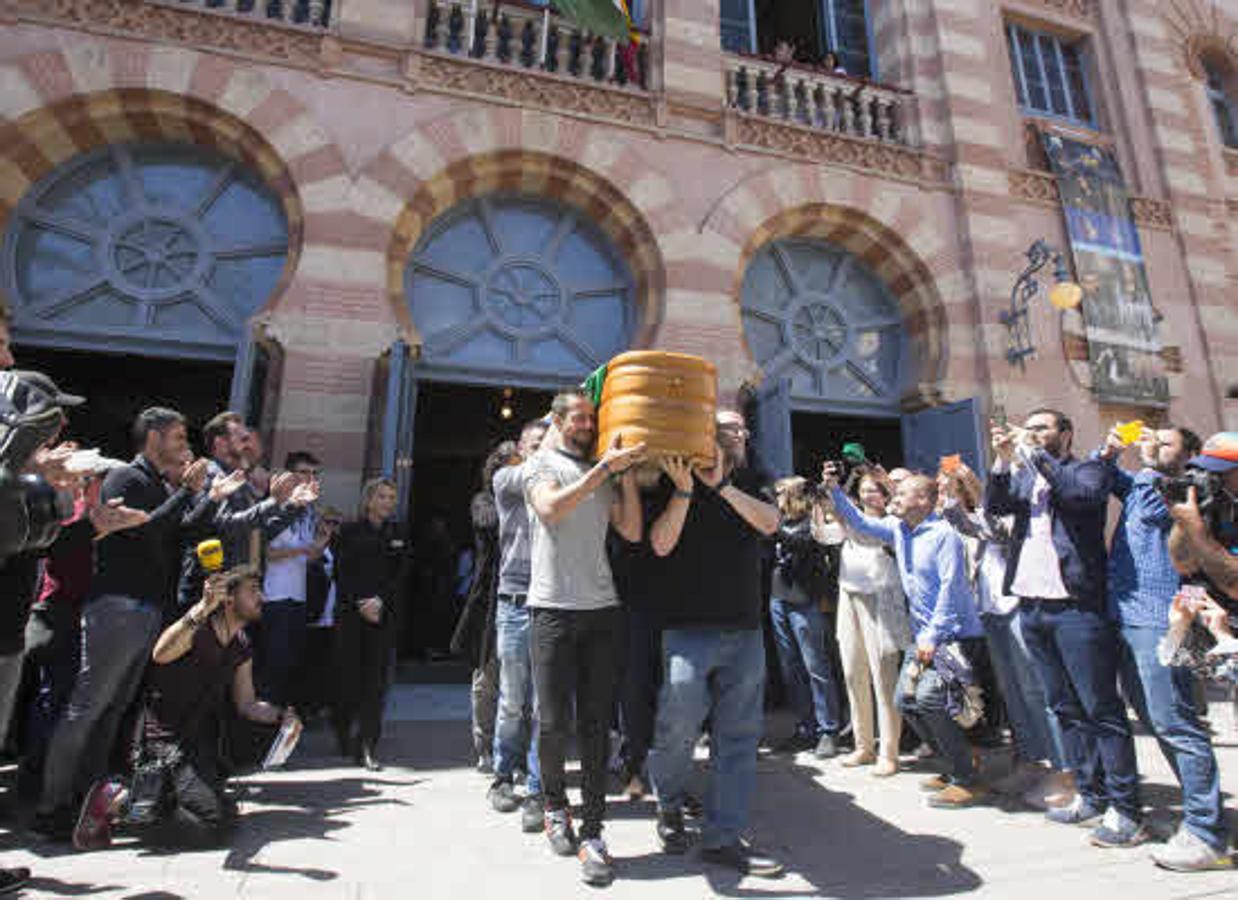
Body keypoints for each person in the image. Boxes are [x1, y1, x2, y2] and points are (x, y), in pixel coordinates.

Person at [36, 407, 225, 835]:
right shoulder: (128, 478)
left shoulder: (158, 484)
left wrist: (206, 498)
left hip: (145, 606)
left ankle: (88, 799)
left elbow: (175, 533)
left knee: (114, 709)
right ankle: (53, 803)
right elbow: (147, 531)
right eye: (177, 436)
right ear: (153, 437)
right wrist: (186, 492)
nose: (183, 443)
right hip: (118, 605)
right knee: (88, 706)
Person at [986, 409, 1145, 848]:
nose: (1033, 433)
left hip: (1076, 608)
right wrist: (1002, 462)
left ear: (1066, 434)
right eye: (1029, 427)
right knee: (1065, 708)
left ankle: (1127, 809)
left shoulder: (1088, 469)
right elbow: (996, 506)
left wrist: (1036, 456)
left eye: (1043, 428)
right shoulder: (1025, 475)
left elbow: (1080, 498)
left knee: (1101, 710)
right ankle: (1090, 795)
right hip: (1033, 607)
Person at [646, 410, 785, 878]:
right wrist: (689, 489)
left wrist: (724, 487)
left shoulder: (755, 478)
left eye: (742, 429)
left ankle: (723, 837)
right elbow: (661, 545)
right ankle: (667, 802)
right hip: (686, 626)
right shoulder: (673, 475)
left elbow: (770, 523)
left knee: (740, 738)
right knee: (677, 726)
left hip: (744, 629)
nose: (736, 436)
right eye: (725, 429)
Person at [72, 567, 298, 850]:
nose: (261, 597)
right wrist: (202, 607)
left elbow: (247, 703)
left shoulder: (241, 645)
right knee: (210, 824)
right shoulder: (197, 630)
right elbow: (161, 652)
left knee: (227, 815)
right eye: (253, 590)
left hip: (195, 743)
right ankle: (116, 799)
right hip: (161, 744)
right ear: (229, 598)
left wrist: (282, 716)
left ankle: (154, 801)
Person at [524, 390, 643, 886]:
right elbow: (551, 509)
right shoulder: (541, 463)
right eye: (579, 418)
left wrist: (626, 474)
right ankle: (555, 805)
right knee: (552, 723)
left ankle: (593, 832)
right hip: (551, 609)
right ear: (558, 421)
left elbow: (632, 531)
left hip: (601, 609)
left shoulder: (603, 468)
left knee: (596, 727)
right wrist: (602, 471)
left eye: (592, 418)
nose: (587, 425)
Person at [1102, 425, 1231, 871]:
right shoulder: (1144, 482)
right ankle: (1203, 819)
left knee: (1177, 722)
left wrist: (1147, 459)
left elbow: (1153, 490)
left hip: (1160, 617)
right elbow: (1110, 481)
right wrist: (1112, 454)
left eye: (1167, 442)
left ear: (1191, 455)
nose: (1155, 445)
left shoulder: (1177, 487)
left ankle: (1208, 832)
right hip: (1127, 614)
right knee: (1159, 721)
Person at [825, 466, 988, 808]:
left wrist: (932, 636)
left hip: (950, 635)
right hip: (923, 637)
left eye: (901, 494)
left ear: (925, 501)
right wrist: (836, 491)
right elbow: (862, 523)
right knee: (905, 701)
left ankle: (966, 778)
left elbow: (950, 589)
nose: (893, 498)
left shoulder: (944, 535)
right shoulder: (899, 528)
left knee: (928, 698)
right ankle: (960, 758)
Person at [939, 463, 1070, 809]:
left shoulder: (1024, 511)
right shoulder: (979, 512)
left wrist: (980, 493)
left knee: (1037, 690)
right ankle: (1029, 761)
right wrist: (951, 496)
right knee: (1012, 692)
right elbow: (966, 525)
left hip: (1017, 604)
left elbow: (998, 530)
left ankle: (1064, 770)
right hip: (991, 609)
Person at [485, 421, 551, 835]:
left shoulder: (561, 482)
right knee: (513, 700)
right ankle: (502, 774)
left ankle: (538, 787)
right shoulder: (507, 479)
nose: (545, 449)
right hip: (514, 602)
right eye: (536, 444)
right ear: (522, 450)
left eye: (549, 442)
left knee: (547, 707)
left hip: (553, 604)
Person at [828, 472, 910, 776]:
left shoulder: (894, 521)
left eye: (874, 490)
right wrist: (821, 505)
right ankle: (863, 746)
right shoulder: (851, 519)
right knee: (852, 671)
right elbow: (824, 535)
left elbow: (865, 533)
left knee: (883, 676)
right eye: (863, 490)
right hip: (848, 594)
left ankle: (889, 752)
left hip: (880, 597)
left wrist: (839, 501)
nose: (868, 495)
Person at [333, 478, 411, 770]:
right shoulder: (349, 531)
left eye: (392, 497)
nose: (388, 502)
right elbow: (341, 571)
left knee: (375, 682)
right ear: (368, 500)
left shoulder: (398, 532)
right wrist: (360, 603)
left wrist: (380, 601)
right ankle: (343, 731)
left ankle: (367, 744)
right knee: (348, 676)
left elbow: (401, 573)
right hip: (352, 614)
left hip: (383, 615)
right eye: (382, 496)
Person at [768, 476, 843, 759]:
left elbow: (798, 543)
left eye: (780, 494)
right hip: (778, 597)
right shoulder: (781, 523)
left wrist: (771, 526)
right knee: (791, 669)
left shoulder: (811, 525)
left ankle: (828, 729)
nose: (775, 499)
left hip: (805, 599)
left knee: (816, 666)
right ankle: (805, 727)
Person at [450, 442, 509, 776]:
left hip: (528, 596)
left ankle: (509, 750)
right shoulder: (484, 501)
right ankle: (484, 747)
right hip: (489, 599)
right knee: (486, 678)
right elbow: (490, 524)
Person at [255, 451, 323, 707]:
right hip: (274, 596)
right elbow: (266, 551)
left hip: (299, 596)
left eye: (315, 473)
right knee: (273, 662)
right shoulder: (277, 507)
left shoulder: (309, 513)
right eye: (304, 472)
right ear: (288, 476)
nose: (310, 478)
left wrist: (319, 545)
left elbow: (306, 557)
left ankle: (280, 720)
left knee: (291, 664)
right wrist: (302, 550)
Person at [1168, 432, 1238, 600]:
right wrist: (1183, 524)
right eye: (1203, 470)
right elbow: (1184, 565)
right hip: (1197, 613)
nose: (1208, 478)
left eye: (1219, 472)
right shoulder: (1213, 506)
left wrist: (1197, 532)